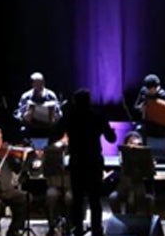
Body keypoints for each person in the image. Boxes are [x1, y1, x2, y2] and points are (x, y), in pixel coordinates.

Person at [54, 89, 117, 236]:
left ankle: (78, 230)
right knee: (95, 199)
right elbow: (112, 139)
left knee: (78, 199)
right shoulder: (97, 116)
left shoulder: (69, 117)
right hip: (94, 161)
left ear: (74, 101)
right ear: (89, 101)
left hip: (77, 161)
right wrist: (109, 130)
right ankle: (97, 230)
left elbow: (56, 134)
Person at [107, 131, 154, 216]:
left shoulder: (145, 158)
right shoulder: (122, 157)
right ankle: (119, 220)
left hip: (140, 188)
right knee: (113, 197)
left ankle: (131, 220)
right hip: (123, 188)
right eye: (130, 143)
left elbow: (150, 176)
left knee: (132, 197)